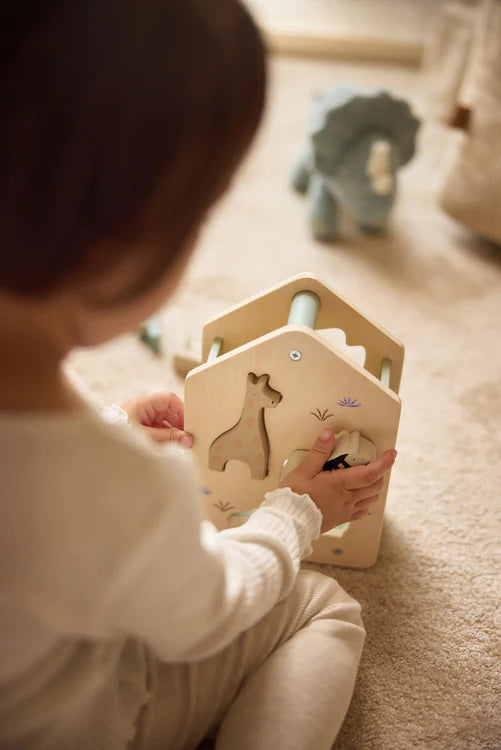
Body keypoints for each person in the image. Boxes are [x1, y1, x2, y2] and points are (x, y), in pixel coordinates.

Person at [0, 2, 397, 749]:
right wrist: (294, 512)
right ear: (121, 251)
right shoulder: (123, 491)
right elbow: (206, 615)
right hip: (76, 723)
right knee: (321, 606)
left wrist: (109, 426)